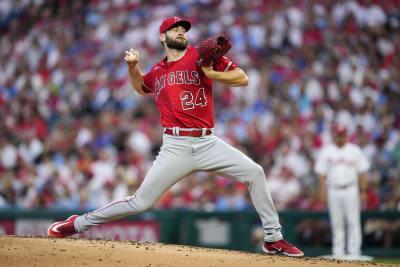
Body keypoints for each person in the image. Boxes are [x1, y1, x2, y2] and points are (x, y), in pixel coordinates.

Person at [47, 17, 304, 257]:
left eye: (184, 29)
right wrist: (133, 67)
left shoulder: (200, 56)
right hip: (176, 146)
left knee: (255, 172)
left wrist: (212, 73)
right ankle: (77, 224)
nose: (182, 31)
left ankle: (273, 237)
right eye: (175, 29)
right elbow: (140, 87)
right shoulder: (158, 71)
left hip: (207, 142)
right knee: (140, 202)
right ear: (162, 37)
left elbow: (242, 78)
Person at [315, 123, 370, 258]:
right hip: (333, 190)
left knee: (353, 221)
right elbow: (322, 174)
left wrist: (363, 191)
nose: (340, 138)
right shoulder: (327, 151)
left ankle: (354, 252)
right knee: (336, 222)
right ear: (334, 135)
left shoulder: (355, 150)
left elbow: (362, 173)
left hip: (351, 188)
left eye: (342, 135)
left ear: (346, 135)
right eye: (338, 135)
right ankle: (338, 252)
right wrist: (322, 192)